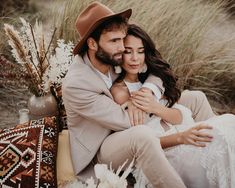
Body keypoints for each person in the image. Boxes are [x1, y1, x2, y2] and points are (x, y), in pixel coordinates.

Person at [62, 2, 215, 187]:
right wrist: (139, 103)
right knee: (141, 134)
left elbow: (155, 70)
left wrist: (146, 91)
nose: (121, 47)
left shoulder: (111, 56)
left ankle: (216, 154)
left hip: (132, 114)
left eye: (122, 39)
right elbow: (127, 121)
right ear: (92, 44)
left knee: (195, 98)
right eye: (114, 41)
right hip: (103, 148)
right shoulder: (76, 84)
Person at [111, 23, 235, 188]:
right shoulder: (120, 92)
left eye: (140, 51)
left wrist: (154, 107)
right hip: (164, 154)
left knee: (228, 124)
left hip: (182, 133)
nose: (135, 58)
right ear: (120, 54)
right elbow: (143, 142)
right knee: (221, 132)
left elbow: (178, 117)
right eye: (128, 51)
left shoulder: (149, 84)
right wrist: (181, 138)